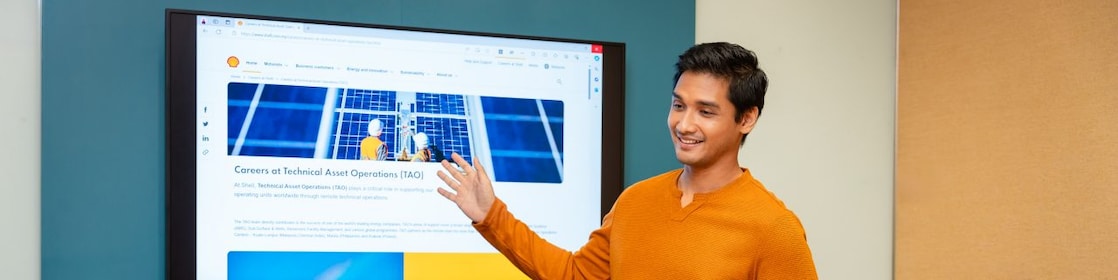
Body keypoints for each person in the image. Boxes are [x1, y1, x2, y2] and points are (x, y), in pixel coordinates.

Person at [435, 42, 818, 279]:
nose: (684, 124)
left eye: (706, 111)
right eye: (678, 105)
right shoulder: (635, 201)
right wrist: (491, 215)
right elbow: (576, 275)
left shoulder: (773, 229)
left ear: (746, 118)